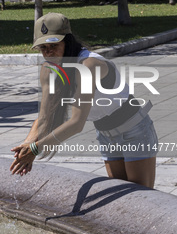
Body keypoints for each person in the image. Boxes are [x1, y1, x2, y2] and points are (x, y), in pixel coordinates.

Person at [10, 13, 158, 189]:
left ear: (68, 42)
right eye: (43, 48)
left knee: (141, 195)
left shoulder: (89, 65)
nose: (48, 52)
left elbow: (76, 123)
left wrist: (36, 149)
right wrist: (28, 144)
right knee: (121, 195)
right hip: (105, 135)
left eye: (54, 45)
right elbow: (44, 117)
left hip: (134, 130)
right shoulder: (49, 70)